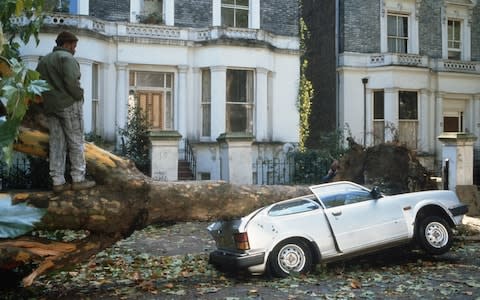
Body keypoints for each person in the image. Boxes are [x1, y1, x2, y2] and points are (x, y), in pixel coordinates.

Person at [36, 31, 95, 192]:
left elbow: (37, 84)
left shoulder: (44, 61)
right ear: (66, 44)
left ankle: (57, 181)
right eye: (74, 45)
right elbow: (72, 82)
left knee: (57, 143)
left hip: (51, 107)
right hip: (68, 104)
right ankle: (78, 179)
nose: (75, 49)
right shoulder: (67, 58)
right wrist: (79, 96)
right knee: (76, 140)